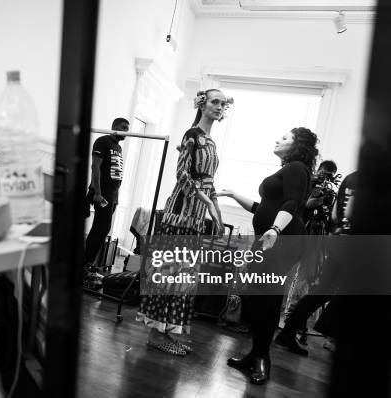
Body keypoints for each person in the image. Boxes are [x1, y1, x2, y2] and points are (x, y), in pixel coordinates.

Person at [218, 127, 318, 384]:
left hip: (283, 241)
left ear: (298, 146)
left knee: (266, 299)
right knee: (254, 297)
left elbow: (292, 203)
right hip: (271, 241)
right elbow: (261, 208)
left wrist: (274, 229)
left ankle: (262, 360)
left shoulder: (296, 167)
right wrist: (232, 194)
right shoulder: (288, 171)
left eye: (285, 138)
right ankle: (255, 354)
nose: (278, 139)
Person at [136, 89, 232, 356]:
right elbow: (181, 175)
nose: (220, 106)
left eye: (223, 104)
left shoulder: (211, 142)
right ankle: (155, 334)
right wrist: (206, 202)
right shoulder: (191, 135)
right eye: (215, 101)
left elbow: (209, 182)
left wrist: (217, 213)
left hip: (196, 218)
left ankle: (168, 330)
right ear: (202, 104)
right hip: (179, 213)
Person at [274, 171, 359, 356]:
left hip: (340, 241)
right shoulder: (374, 181)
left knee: (322, 292)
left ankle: (289, 332)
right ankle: (331, 336)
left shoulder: (351, 178)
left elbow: (336, 214)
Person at [83, 118, 129, 282]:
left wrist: (116, 197)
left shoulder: (118, 147)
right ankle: (85, 265)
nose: (126, 130)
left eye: (127, 128)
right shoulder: (103, 141)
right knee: (101, 228)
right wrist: (97, 192)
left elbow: (115, 173)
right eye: (123, 127)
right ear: (114, 127)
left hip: (112, 194)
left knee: (101, 229)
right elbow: (95, 167)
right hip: (101, 193)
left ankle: (87, 264)